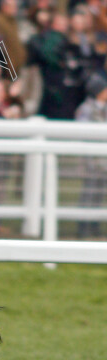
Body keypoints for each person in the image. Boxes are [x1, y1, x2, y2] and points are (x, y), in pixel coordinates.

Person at [74, 74, 107, 237]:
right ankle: (83, 226)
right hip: (91, 160)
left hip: (103, 159)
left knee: (99, 193)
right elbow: (83, 131)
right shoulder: (86, 109)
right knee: (89, 192)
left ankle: (94, 225)